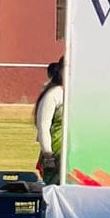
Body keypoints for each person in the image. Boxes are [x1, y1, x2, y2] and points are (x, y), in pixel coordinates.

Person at [33, 58, 64, 186]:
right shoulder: (54, 94)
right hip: (56, 154)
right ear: (61, 71)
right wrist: (48, 155)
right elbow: (43, 127)